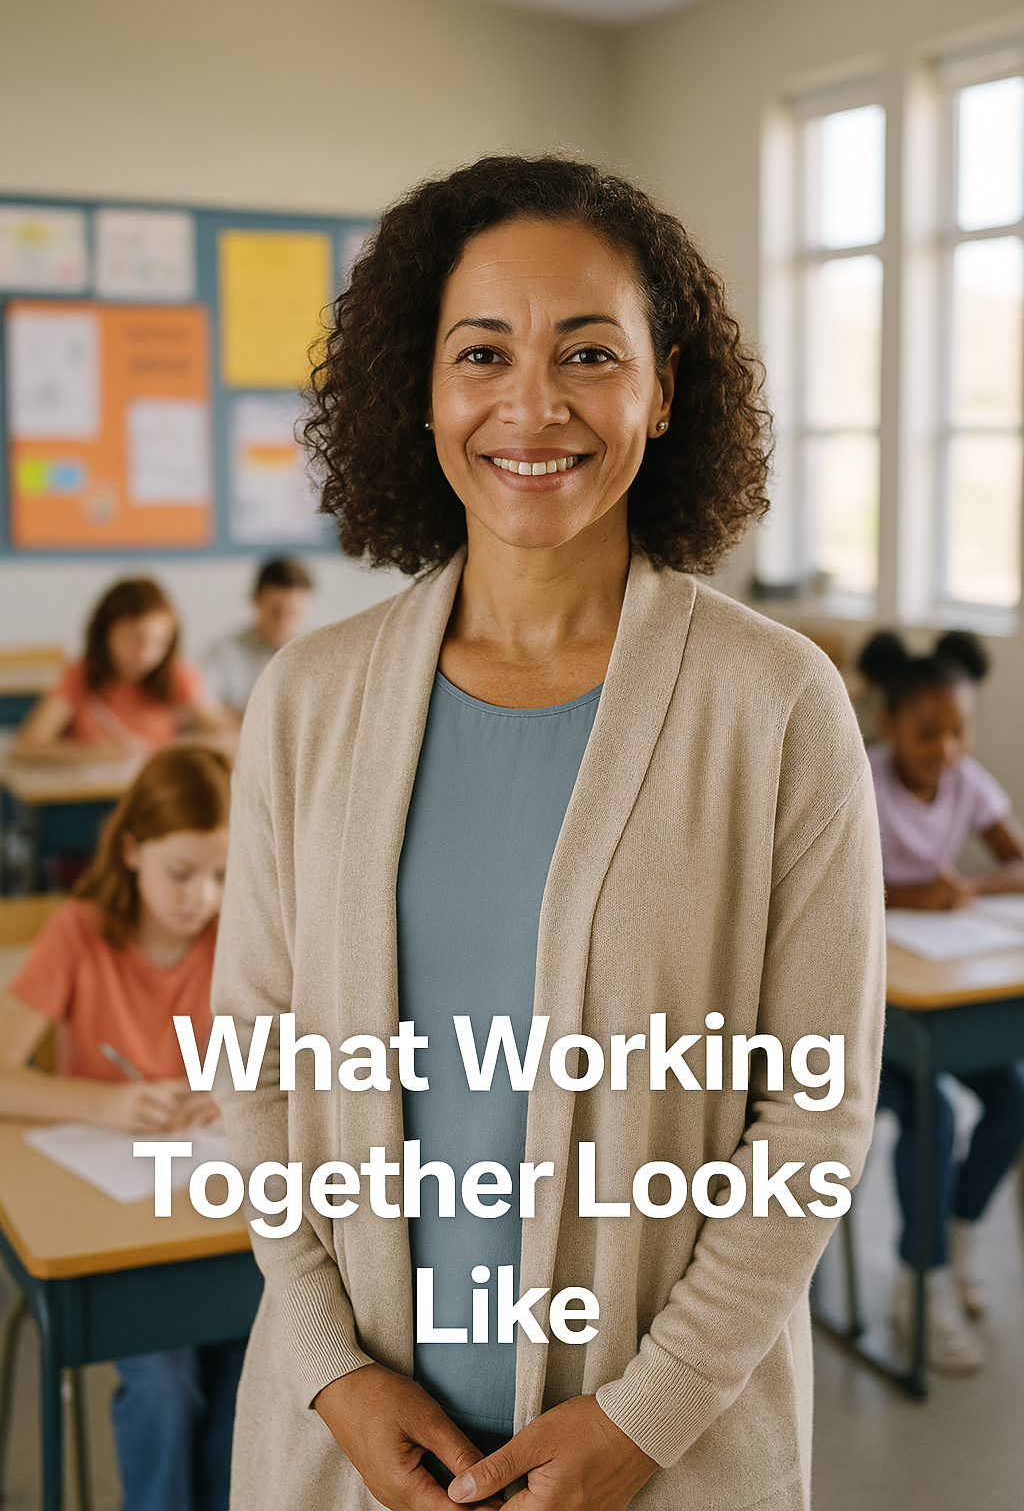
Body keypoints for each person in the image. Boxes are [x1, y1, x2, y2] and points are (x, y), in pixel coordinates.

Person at [212, 155, 886, 1511]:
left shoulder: (775, 702)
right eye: (482, 354)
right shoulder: (309, 699)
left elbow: (813, 1114)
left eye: (589, 353)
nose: (533, 405)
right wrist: (331, 1369)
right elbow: (258, 1063)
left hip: (667, 1455)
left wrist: (647, 1417)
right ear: (421, 389)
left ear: (663, 388)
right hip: (349, 1449)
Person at [0, 746, 244, 1511]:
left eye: (222, 874)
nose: (202, 897)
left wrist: (232, 1093)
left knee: (256, 1368)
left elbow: (287, 1059)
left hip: (207, 1215)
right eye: (181, 873)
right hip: (105, 1224)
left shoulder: (235, 937)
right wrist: (101, 1104)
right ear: (132, 848)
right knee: (167, 1382)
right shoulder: (79, 934)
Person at [859, 630, 1024, 1374]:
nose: (947, 750)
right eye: (929, 733)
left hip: (943, 995)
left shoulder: (966, 781)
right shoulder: (860, 780)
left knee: (1014, 1097)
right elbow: (819, 887)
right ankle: (918, 1281)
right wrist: (909, 895)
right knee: (935, 1113)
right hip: (873, 1014)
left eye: (960, 731)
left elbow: (1016, 864)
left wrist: (968, 888)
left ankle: (956, 1236)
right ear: (891, 723)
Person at [12, 577, 235, 762]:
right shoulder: (80, 675)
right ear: (105, 634)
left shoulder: (176, 674)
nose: (146, 654)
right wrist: (89, 753)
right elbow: (25, 748)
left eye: (160, 642)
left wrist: (178, 748)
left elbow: (226, 732)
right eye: (134, 640)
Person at [204, 557, 314, 718]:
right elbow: (205, 709)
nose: (283, 622)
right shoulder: (225, 651)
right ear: (255, 601)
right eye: (276, 611)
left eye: (293, 613)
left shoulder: (323, 652)